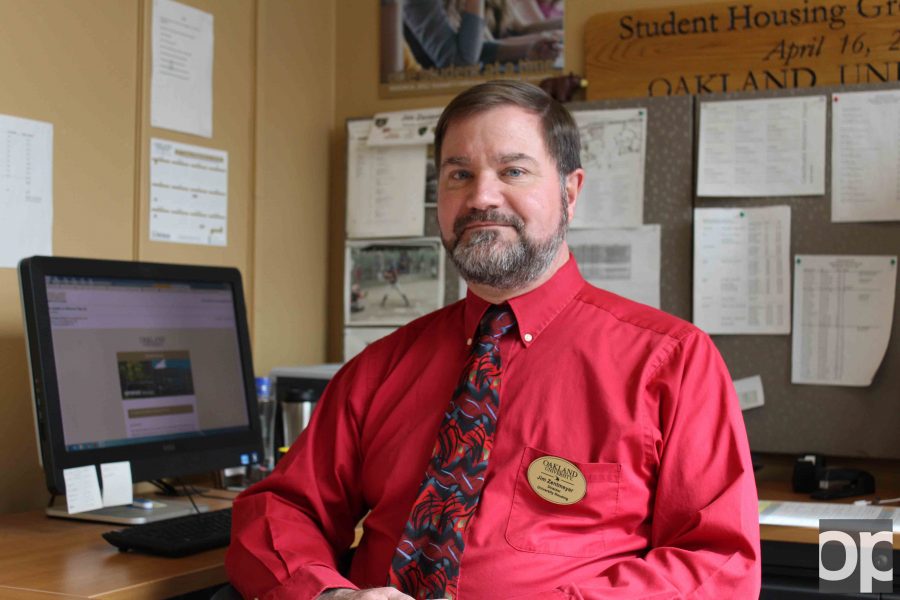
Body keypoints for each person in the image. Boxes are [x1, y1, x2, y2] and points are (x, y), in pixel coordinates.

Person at [226, 81, 761, 599]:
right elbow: (280, 509)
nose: (482, 196)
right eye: (460, 174)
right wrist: (328, 596)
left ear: (570, 193)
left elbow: (718, 563)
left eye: (513, 170)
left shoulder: (670, 361)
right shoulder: (381, 368)